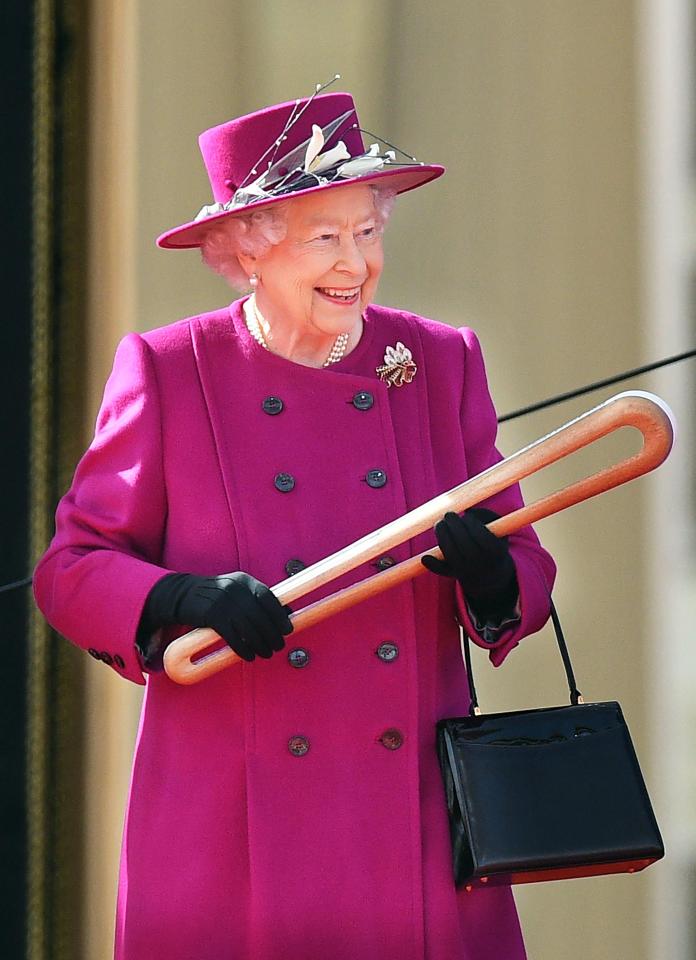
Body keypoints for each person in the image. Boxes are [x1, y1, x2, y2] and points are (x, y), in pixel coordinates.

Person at [33, 85, 556, 960]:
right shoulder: (168, 371)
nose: (355, 263)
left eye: (367, 231)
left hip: (411, 828)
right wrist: (183, 598)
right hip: (231, 834)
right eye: (325, 238)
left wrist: (494, 578)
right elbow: (74, 569)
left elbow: (524, 563)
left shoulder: (439, 362)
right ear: (247, 253)